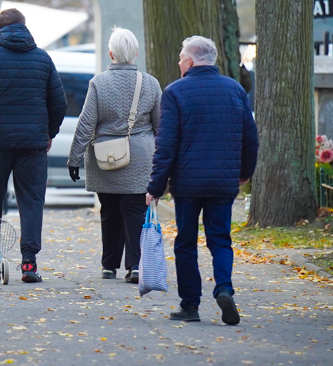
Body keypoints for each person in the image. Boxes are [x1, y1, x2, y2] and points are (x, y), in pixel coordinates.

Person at [146, 35, 258, 325]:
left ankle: (190, 306)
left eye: (182, 58)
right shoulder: (235, 90)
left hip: (187, 184)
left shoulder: (175, 92)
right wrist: (245, 172)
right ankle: (224, 289)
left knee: (185, 242)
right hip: (223, 182)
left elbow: (166, 145)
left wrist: (155, 187)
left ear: (191, 60)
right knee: (220, 240)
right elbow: (250, 138)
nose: (179, 62)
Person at [0, 8, 68, 283]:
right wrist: (49, 133)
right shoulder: (43, 59)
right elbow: (59, 103)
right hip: (32, 145)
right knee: (31, 203)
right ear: (24, 27)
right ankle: (29, 264)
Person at [67, 27, 161, 283]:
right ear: (135, 53)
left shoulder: (98, 83)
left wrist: (74, 158)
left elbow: (86, 123)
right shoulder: (150, 83)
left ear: (110, 53)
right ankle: (135, 266)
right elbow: (160, 125)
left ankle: (109, 266)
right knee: (134, 212)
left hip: (104, 158)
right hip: (139, 159)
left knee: (109, 211)